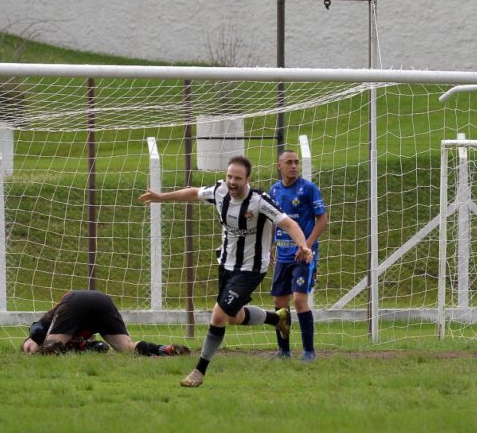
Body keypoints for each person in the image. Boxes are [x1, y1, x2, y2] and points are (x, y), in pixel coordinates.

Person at [139, 155, 312, 387]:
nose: (232, 182)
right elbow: (193, 193)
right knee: (233, 317)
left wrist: (303, 245)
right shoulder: (220, 191)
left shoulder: (260, 201)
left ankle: (199, 371)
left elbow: (289, 224)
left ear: (247, 179)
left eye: (237, 178)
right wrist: (161, 197)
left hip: (251, 268)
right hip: (226, 264)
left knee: (218, 315)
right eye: (229, 176)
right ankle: (277, 318)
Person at [269, 150, 328, 361]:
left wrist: (307, 246)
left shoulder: (309, 189)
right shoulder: (274, 191)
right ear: (280, 166)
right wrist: (270, 248)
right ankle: (284, 351)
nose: (294, 166)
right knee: (279, 303)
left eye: (296, 162)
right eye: (289, 162)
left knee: (300, 301)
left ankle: (308, 351)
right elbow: (272, 222)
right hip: (283, 256)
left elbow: (322, 220)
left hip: (303, 257)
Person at [21, 289, 191, 356]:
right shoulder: (82, 345)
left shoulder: (54, 313)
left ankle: (52, 347)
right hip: (103, 301)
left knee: (51, 347)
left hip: (74, 302)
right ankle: (164, 349)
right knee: (126, 347)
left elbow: (37, 327)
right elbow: (100, 347)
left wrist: (33, 340)